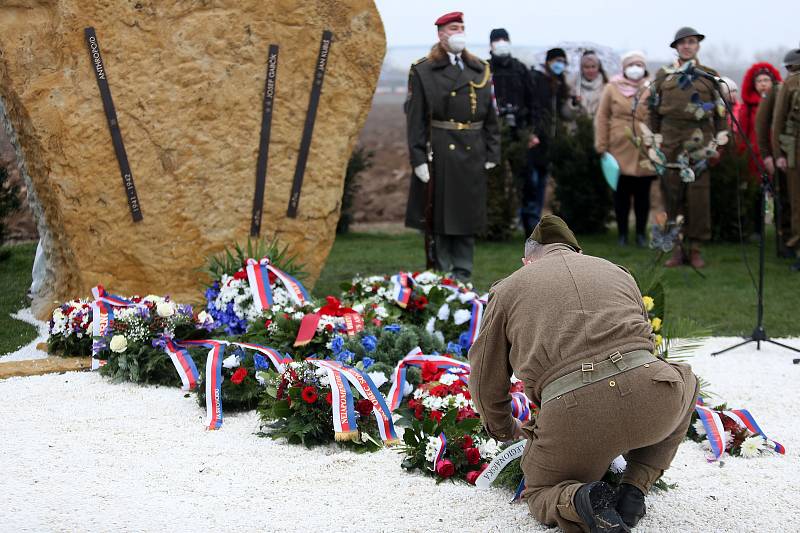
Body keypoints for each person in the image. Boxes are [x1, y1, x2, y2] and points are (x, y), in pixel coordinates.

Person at [469, 214, 698, 533]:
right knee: (685, 379)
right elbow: (646, 343)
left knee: (539, 492)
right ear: (578, 253)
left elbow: (484, 377)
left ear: (527, 262)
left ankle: (584, 499)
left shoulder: (507, 290)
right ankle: (634, 490)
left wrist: (504, 428)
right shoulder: (616, 271)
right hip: (653, 396)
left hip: (574, 417)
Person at [404, 11, 501, 281]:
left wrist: (493, 151)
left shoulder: (479, 68)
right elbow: (415, 120)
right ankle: (442, 276)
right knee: (440, 217)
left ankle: (463, 273)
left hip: (473, 151)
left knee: (466, 217)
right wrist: (418, 159)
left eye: (461, 27)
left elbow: (491, 115)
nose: (458, 33)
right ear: (440, 34)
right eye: (452, 28)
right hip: (441, 150)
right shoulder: (423, 70)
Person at [649, 27, 726, 268]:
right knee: (672, 197)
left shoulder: (710, 75)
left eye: (691, 42)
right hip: (670, 143)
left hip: (700, 143)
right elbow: (652, 111)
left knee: (698, 197)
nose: (687, 46)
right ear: (676, 48)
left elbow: (721, 113)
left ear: (698, 46)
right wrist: (653, 143)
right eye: (682, 43)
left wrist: (720, 144)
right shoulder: (663, 75)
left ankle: (695, 250)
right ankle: (676, 250)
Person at [595, 50, 657, 247]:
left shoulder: (652, 87)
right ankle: (622, 234)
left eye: (639, 65)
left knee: (642, 194)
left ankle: (640, 233)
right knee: (621, 194)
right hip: (618, 147)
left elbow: (658, 115)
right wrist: (602, 144)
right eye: (631, 65)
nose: (635, 69)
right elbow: (602, 116)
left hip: (644, 147)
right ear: (624, 68)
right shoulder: (612, 87)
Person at [523, 48, 574, 235]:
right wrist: (531, 132)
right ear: (549, 61)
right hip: (536, 140)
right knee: (532, 182)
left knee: (541, 183)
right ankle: (529, 221)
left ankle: (536, 223)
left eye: (563, 61)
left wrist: (572, 102)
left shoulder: (560, 84)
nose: (560, 64)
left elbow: (564, 114)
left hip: (550, 143)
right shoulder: (536, 79)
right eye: (557, 60)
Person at [771, 45, 800, 272]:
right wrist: (778, 154)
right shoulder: (790, 85)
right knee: (797, 204)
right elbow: (778, 122)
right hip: (795, 155)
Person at [737, 63, 781, 178]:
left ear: (772, 82)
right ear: (754, 85)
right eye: (759, 81)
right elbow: (742, 134)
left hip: (778, 152)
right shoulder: (747, 107)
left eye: (766, 80)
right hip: (755, 156)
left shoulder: (781, 105)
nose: (763, 84)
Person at [488, 28, 535, 131]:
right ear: (491, 44)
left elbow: (532, 99)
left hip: (520, 125)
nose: (501, 43)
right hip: (492, 126)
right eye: (497, 40)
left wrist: (532, 129)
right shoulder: (485, 69)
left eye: (504, 39)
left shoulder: (520, 68)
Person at [574, 50, 608, 117]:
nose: (590, 70)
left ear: (598, 67)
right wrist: (573, 104)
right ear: (581, 68)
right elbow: (566, 115)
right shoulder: (573, 86)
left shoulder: (607, 87)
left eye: (593, 67)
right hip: (579, 125)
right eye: (586, 67)